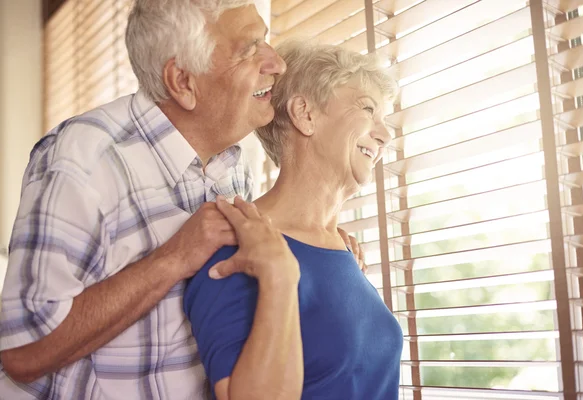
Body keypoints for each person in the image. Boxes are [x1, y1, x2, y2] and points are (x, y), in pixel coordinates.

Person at [0, 1, 290, 398]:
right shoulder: (82, 161)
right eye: (249, 49)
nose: (277, 63)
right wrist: (171, 259)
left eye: (266, 42)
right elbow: (21, 352)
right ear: (183, 82)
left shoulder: (232, 165)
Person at [184, 41, 403, 400]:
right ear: (305, 113)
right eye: (367, 109)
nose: (386, 134)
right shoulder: (237, 244)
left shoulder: (344, 251)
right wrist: (279, 274)